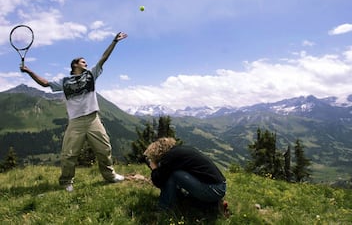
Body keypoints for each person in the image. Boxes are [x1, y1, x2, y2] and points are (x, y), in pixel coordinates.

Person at [20, 32, 128, 192]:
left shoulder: (91, 75)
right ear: (75, 65)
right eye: (83, 62)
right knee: (69, 155)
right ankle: (66, 182)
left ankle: (110, 176)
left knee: (104, 150)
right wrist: (29, 71)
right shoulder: (64, 82)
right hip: (76, 122)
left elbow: (104, 58)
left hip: (93, 120)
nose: (86, 63)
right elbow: (44, 83)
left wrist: (114, 42)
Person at [143, 137, 227, 212]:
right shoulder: (179, 152)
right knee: (184, 193)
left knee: (174, 175)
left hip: (213, 189)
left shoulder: (170, 157)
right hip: (219, 187)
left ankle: (164, 208)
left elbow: (159, 180)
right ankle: (214, 205)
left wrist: (154, 167)